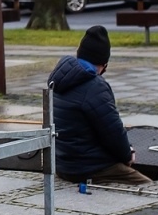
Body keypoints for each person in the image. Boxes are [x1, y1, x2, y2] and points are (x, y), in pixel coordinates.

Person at [47, 26, 151, 186]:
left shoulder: (59, 79)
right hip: (88, 167)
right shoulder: (94, 86)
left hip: (62, 164)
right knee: (151, 188)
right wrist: (127, 155)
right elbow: (112, 131)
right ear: (103, 64)